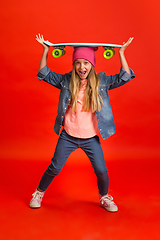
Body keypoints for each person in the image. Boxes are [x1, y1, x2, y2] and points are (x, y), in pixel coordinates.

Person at [30, 34, 135, 212]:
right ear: (73, 65)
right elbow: (44, 73)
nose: (81, 66)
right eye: (78, 63)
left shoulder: (101, 81)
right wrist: (45, 51)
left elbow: (124, 77)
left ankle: (104, 197)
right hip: (68, 136)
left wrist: (122, 53)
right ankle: (38, 193)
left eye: (86, 63)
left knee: (101, 170)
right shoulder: (66, 80)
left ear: (92, 65)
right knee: (55, 167)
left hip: (90, 138)